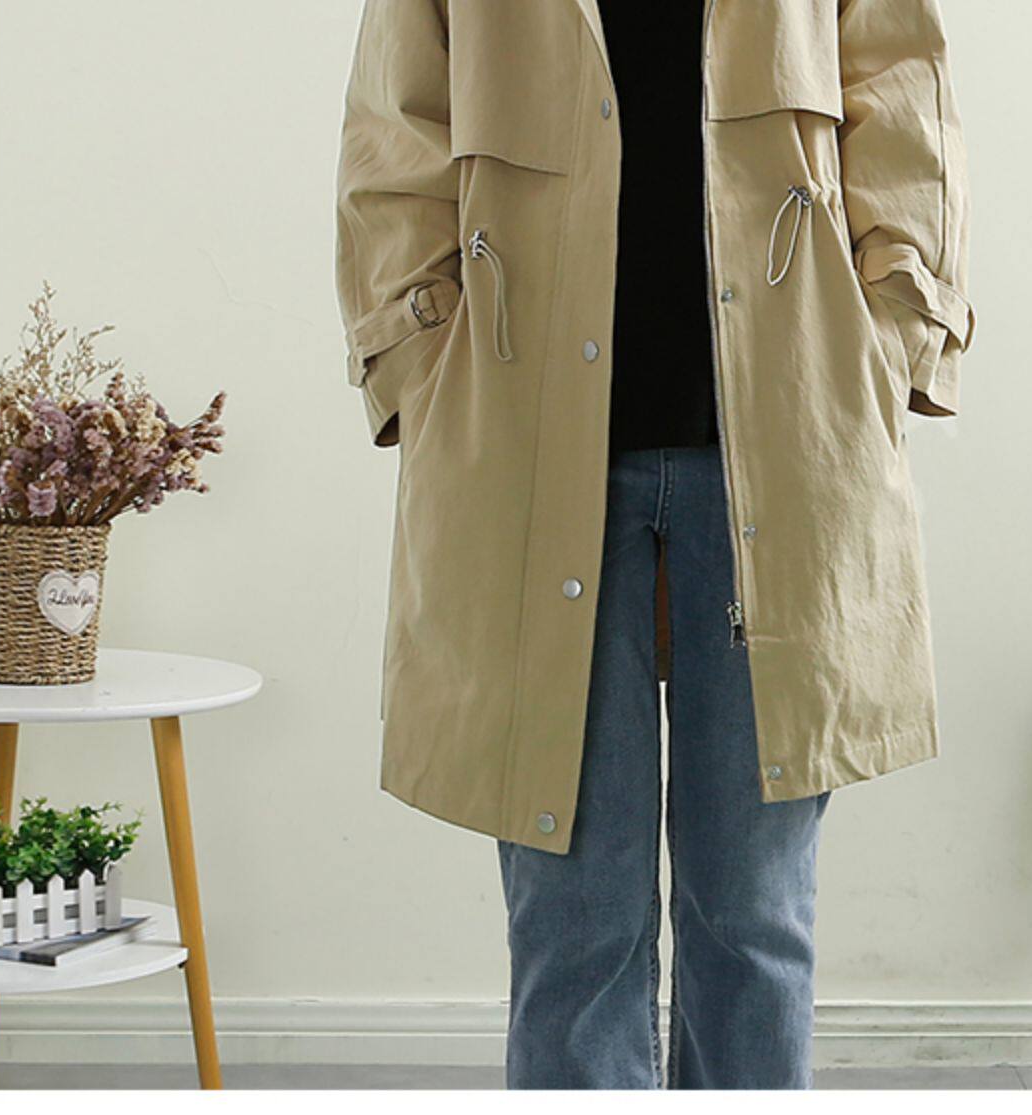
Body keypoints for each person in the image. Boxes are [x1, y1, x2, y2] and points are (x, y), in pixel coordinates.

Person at [335, 0, 974, 1090]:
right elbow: (394, 131)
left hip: (784, 440)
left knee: (755, 915)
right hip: (530, 455)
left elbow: (904, 94)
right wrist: (418, 363)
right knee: (572, 917)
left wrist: (894, 337)